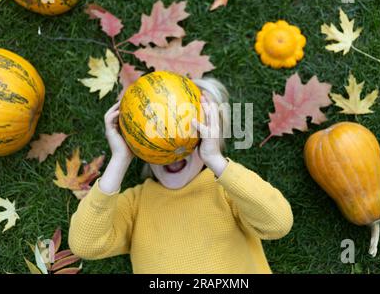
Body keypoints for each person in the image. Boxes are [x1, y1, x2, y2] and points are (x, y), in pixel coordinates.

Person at [68, 77, 294, 273]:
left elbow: (278, 223)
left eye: (190, 138)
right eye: (160, 135)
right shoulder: (135, 205)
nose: (174, 151)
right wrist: (120, 158)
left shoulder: (228, 189)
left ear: (209, 143)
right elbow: (84, 244)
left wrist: (217, 161)